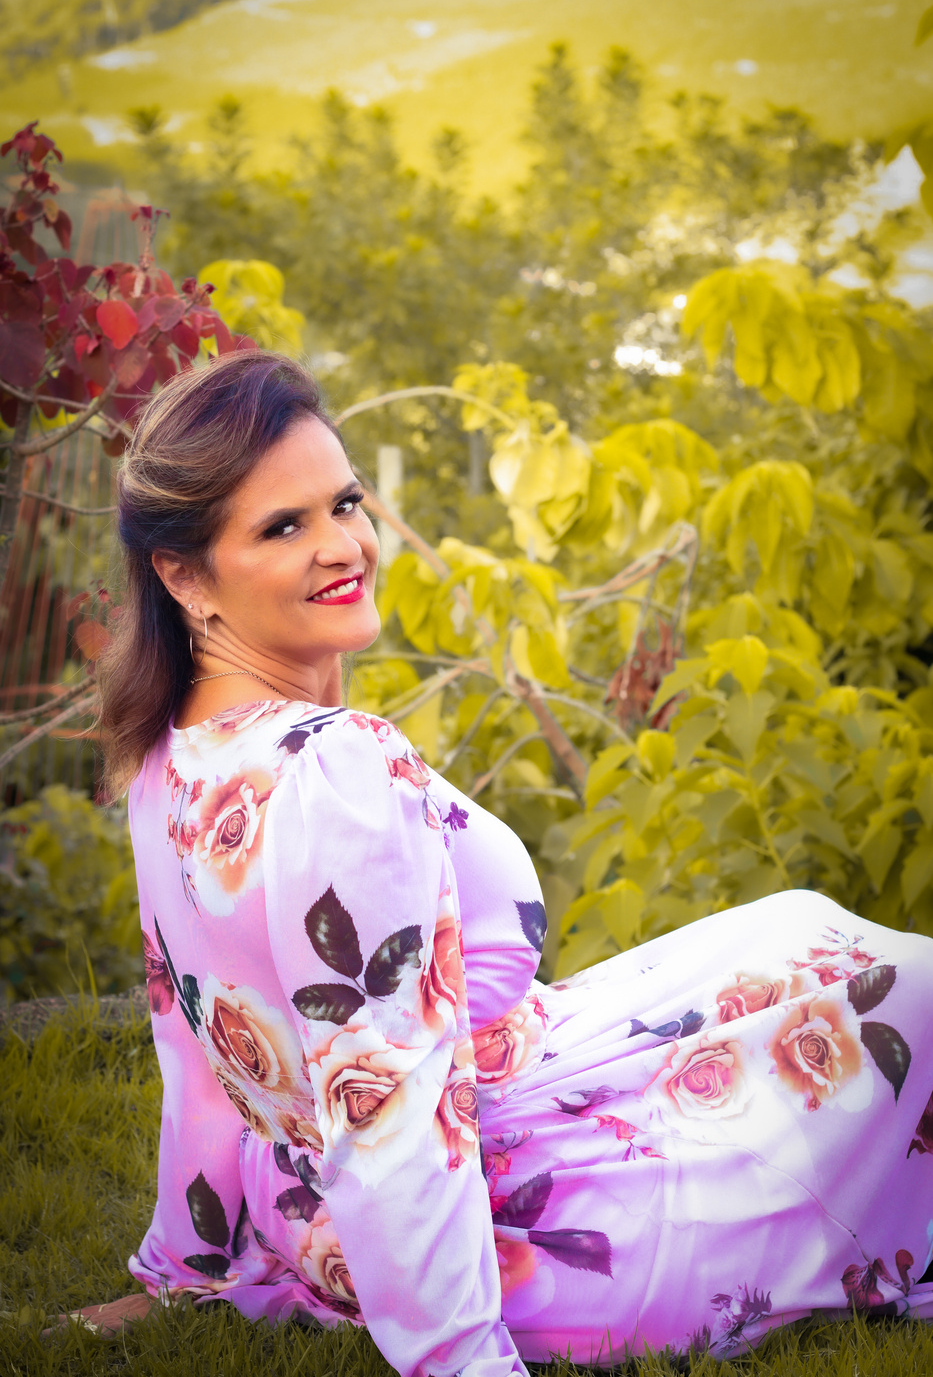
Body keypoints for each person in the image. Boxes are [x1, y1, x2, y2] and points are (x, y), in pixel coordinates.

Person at [73, 350, 933, 1366]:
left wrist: (185, 1263)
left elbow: (201, 1058)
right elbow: (390, 1102)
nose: (344, 546)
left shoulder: (172, 756)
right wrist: (463, 1357)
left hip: (308, 1195)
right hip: (518, 1212)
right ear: (182, 574)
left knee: (803, 932)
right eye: (282, 527)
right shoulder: (332, 773)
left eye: (343, 504)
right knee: (913, 1000)